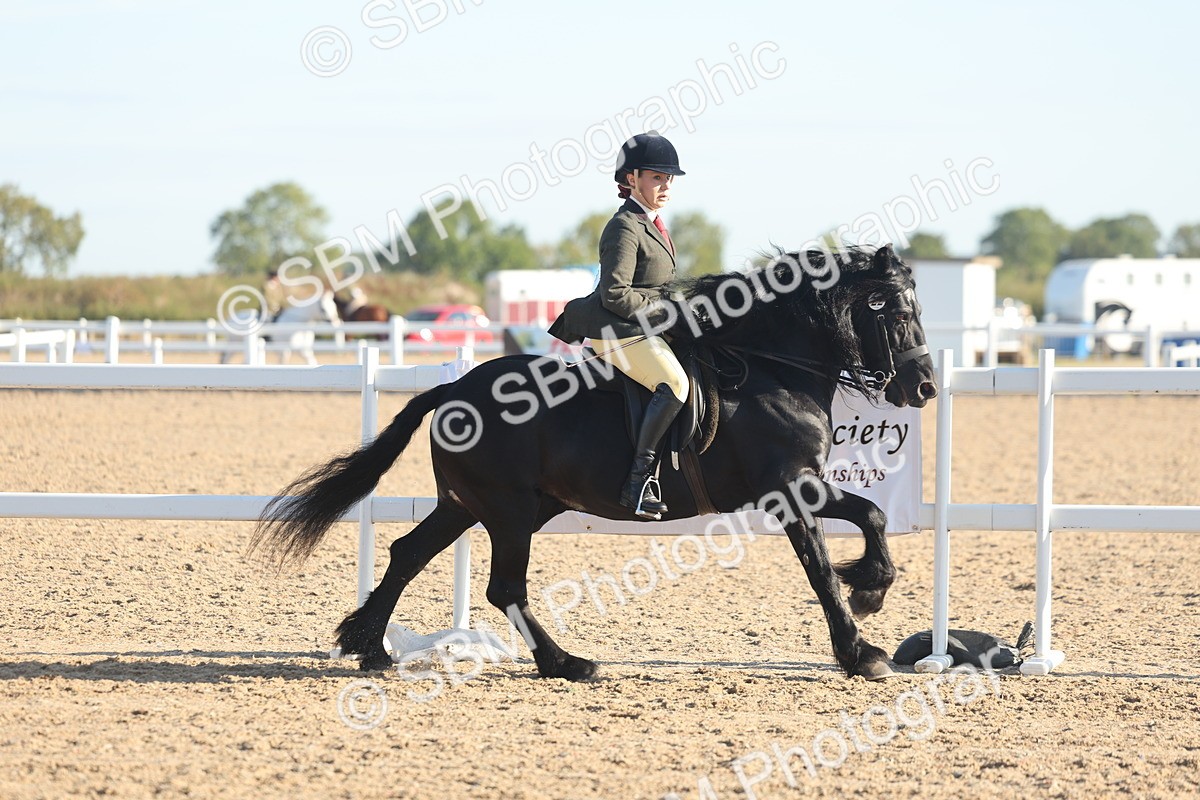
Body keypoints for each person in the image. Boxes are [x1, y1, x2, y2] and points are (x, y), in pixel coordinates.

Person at [548, 132, 695, 519]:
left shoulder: (653, 224)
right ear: (631, 179)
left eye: (669, 178)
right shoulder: (625, 226)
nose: (666, 186)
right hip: (616, 330)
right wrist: (667, 310)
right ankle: (638, 483)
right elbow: (615, 293)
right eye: (657, 178)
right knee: (674, 384)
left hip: (641, 327)